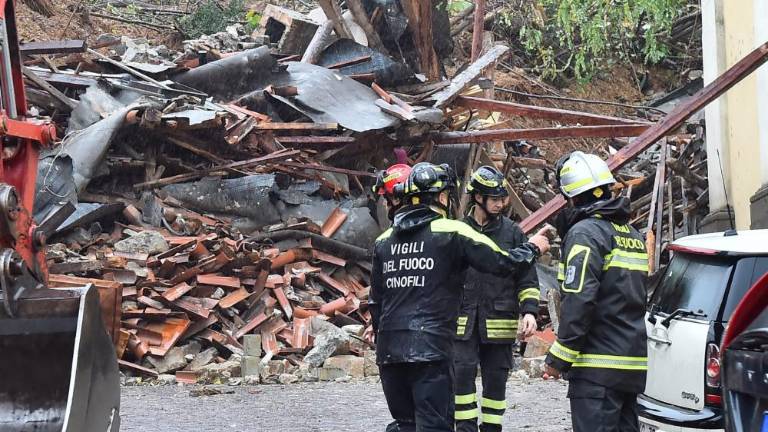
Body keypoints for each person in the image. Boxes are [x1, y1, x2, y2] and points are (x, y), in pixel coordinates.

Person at [369, 162, 552, 432]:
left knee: (406, 425)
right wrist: (533, 248)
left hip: (390, 354)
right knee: (435, 424)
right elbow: (501, 262)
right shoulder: (453, 231)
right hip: (431, 351)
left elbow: (376, 301)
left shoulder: (384, 240)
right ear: (442, 197)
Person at [544, 151, 648, 432]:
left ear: (572, 197)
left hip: (596, 369)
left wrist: (559, 359)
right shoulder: (632, 235)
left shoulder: (585, 234)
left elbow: (580, 301)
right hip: (631, 366)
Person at [454, 166, 540, 432]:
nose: (501, 204)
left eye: (503, 199)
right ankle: (465, 428)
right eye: (495, 199)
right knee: (461, 379)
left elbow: (527, 278)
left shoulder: (513, 233)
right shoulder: (458, 231)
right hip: (463, 323)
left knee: (495, 383)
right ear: (478, 197)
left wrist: (529, 311)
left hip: (499, 324)